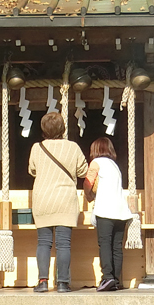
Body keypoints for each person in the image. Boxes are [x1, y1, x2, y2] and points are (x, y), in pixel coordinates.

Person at [28, 112, 88, 293]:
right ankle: (62, 283)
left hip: (43, 200)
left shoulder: (37, 148)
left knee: (43, 242)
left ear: (43, 129)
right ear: (63, 128)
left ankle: (43, 281)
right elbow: (83, 171)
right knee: (64, 244)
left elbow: (32, 170)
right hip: (66, 200)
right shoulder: (73, 147)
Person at [83, 137, 133, 292]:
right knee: (116, 247)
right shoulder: (115, 166)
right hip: (121, 211)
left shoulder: (97, 162)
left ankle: (107, 278)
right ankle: (116, 280)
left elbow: (88, 182)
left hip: (105, 210)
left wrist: (88, 195)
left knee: (104, 244)